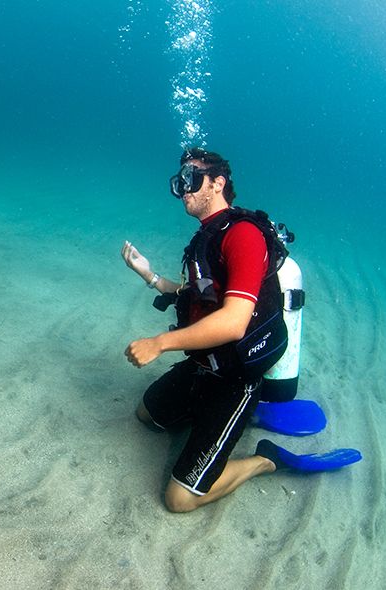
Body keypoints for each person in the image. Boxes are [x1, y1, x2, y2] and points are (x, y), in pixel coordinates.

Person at [121, 148, 289, 512]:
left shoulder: (242, 235)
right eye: (180, 182)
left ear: (217, 183)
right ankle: (214, 420)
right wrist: (149, 275)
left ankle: (262, 460)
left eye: (191, 180)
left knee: (180, 499)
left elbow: (232, 322)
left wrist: (160, 343)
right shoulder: (207, 236)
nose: (183, 190)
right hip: (205, 364)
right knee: (147, 416)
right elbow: (196, 296)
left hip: (235, 374)